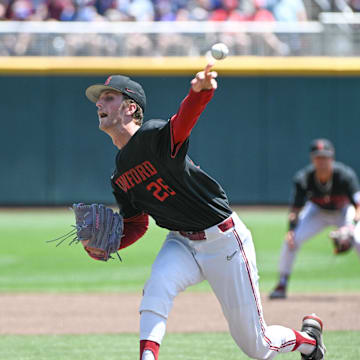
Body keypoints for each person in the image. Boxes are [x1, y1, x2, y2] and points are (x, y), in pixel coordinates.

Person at [84, 65, 326, 360]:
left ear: (130, 107)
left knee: (258, 346)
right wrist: (108, 244)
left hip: (223, 240)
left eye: (108, 97)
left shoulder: (151, 137)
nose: (99, 103)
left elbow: (184, 121)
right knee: (157, 287)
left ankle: (310, 341)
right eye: (100, 99)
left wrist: (201, 91)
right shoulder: (119, 175)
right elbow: (136, 223)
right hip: (181, 242)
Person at [269, 138, 360, 300]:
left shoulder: (345, 175)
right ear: (312, 159)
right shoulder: (303, 178)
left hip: (344, 211)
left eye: (325, 157)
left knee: (359, 240)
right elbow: (295, 210)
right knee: (292, 240)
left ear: (332, 158)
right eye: (318, 157)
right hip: (317, 212)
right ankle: (282, 283)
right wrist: (290, 230)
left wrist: (351, 227)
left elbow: (358, 205)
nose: (322, 161)